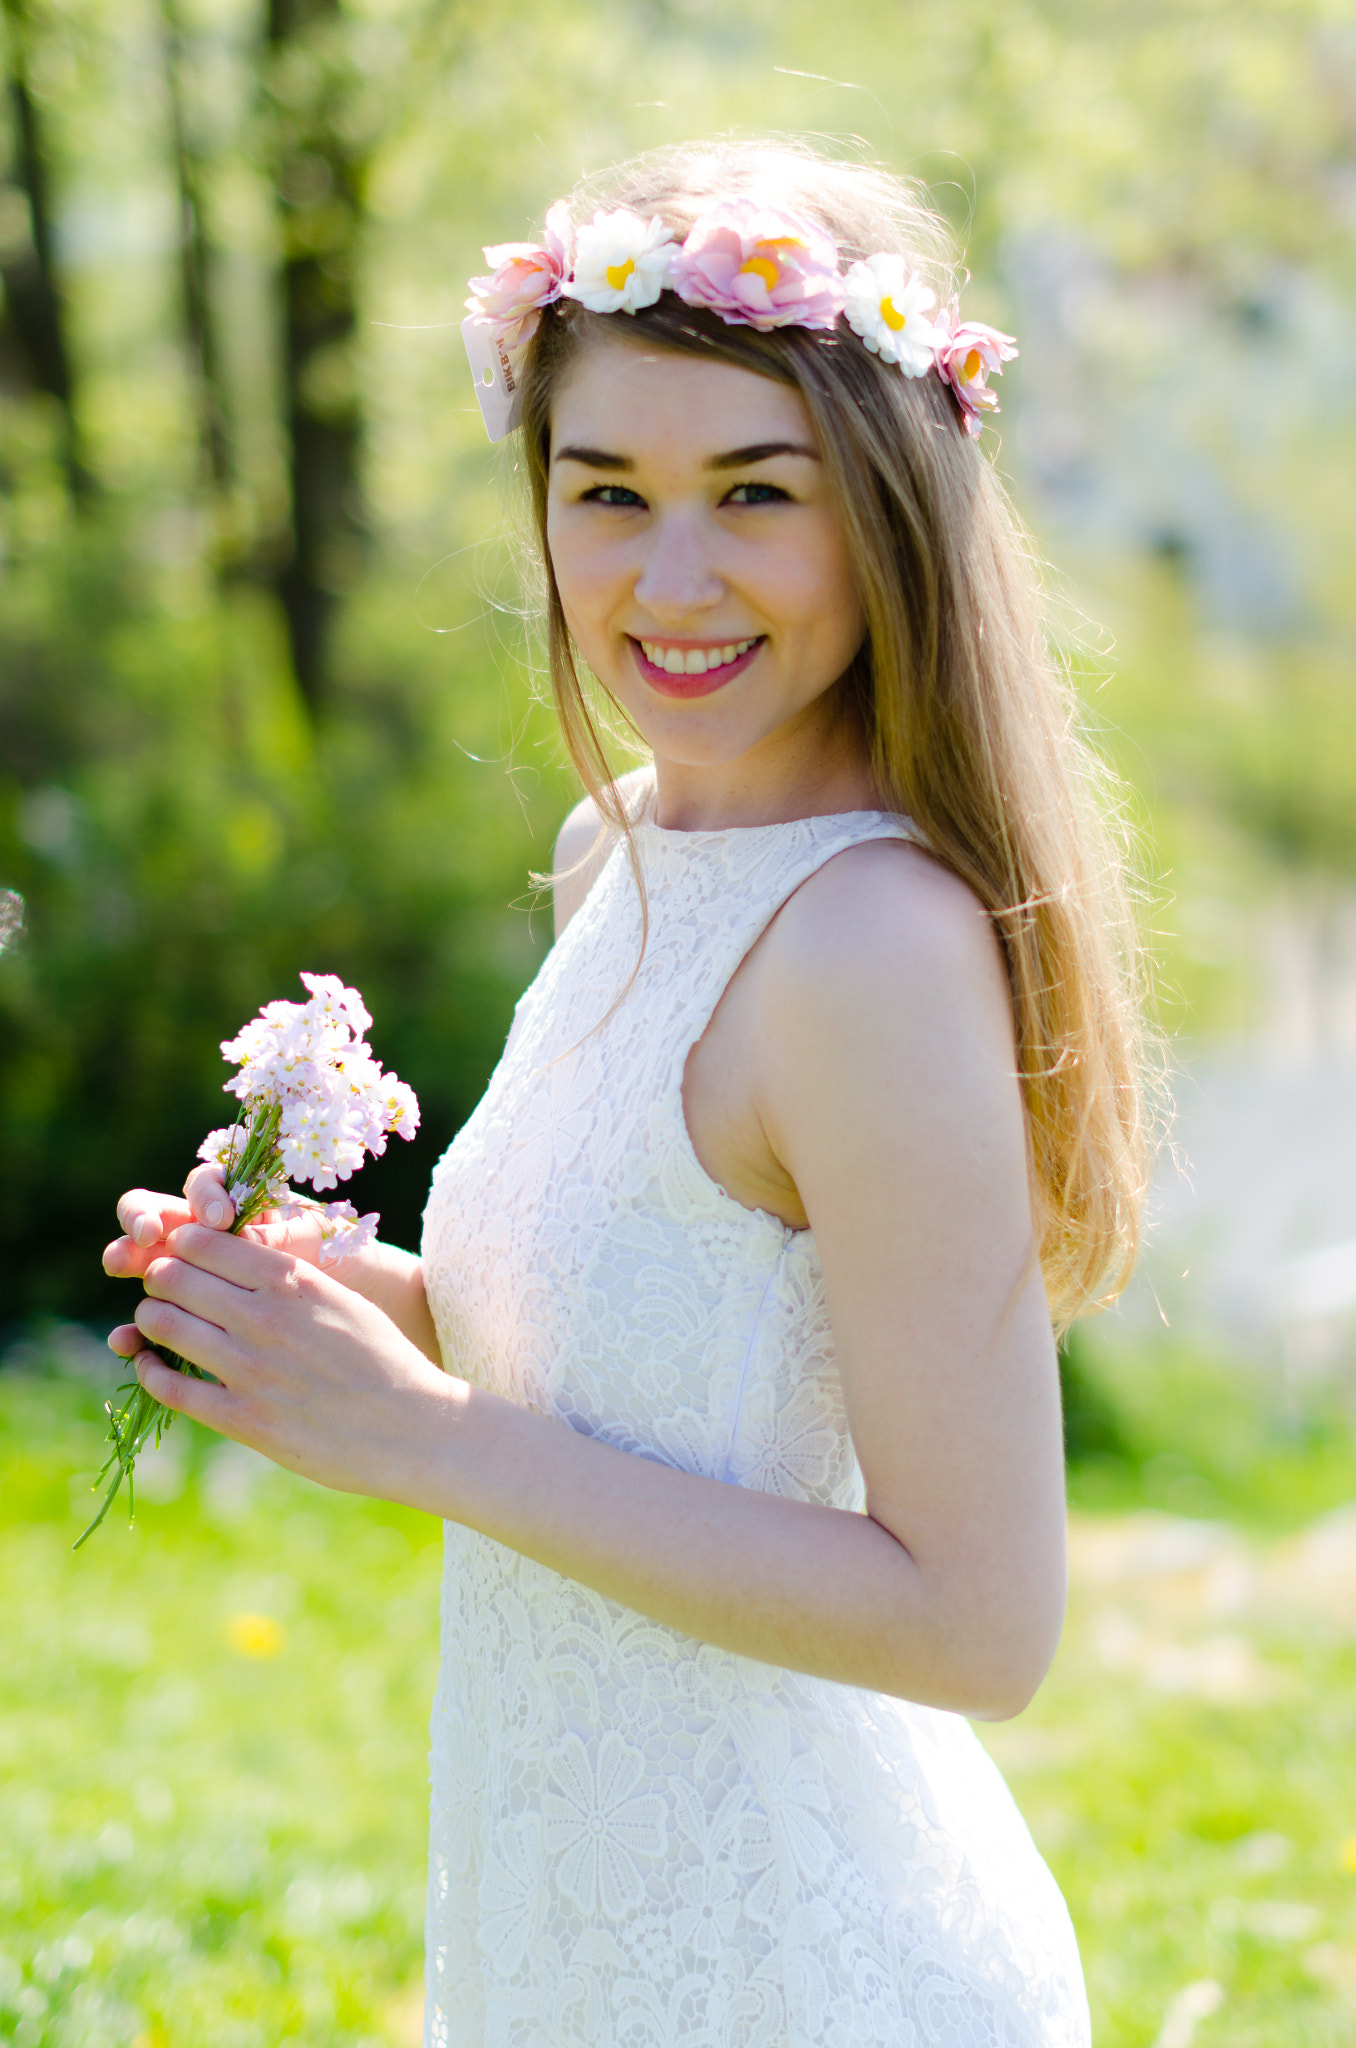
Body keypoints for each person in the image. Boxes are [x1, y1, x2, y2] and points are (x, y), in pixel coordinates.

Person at [106, 140, 1151, 2047]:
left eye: (759, 493)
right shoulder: (625, 853)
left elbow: (978, 1623)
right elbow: (661, 1388)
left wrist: (421, 1437)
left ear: (890, 516)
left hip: (810, 1969)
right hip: (574, 1923)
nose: (670, 578)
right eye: (611, 493)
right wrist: (358, 1324)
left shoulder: (876, 947)